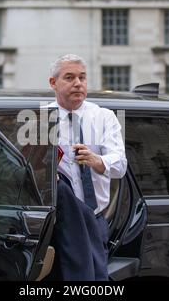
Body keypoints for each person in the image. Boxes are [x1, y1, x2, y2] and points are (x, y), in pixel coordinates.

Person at [47, 54, 127, 280]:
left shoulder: (104, 117)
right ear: (53, 83)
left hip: (94, 219)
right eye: (69, 77)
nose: (78, 84)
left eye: (82, 77)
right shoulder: (42, 119)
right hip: (56, 222)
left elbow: (120, 165)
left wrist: (96, 161)